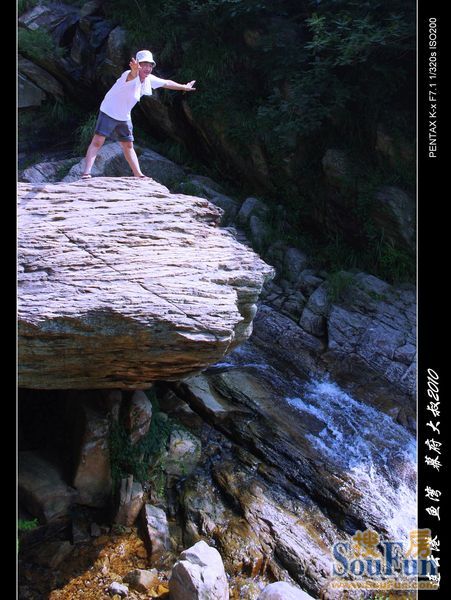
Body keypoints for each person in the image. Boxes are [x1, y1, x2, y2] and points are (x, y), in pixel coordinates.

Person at [81, 49, 196, 179]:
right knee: (97, 141)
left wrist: (184, 87)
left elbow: (166, 83)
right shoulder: (127, 75)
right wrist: (135, 70)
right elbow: (132, 74)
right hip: (109, 111)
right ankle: (86, 173)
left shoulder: (149, 79)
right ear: (138, 65)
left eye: (150, 65)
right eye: (144, 65)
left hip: (124, 115)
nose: (147, 68)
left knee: (128, 145)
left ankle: (138, 174)